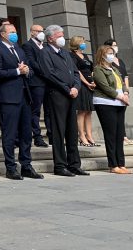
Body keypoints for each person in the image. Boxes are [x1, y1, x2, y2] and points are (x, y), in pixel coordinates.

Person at [0, 22, 43, 180]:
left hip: (25, 95)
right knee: (10, 134)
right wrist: (17, 71)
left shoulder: (19, 49)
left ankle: (26, 165)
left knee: (26, 133)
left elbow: (29, 70)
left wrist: (26, 71)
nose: (14, 34)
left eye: (15, 31)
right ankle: (10, 167)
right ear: (2, 34)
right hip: (8, 97)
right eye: (11, 32)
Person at [36, 25, 88, 177]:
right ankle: (60, 165)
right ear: (50, 37)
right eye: (59, 35)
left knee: (72, 130)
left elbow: (76, 73)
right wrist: (66, 88)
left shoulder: (65, 53)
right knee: (58, 130)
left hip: (72, 95)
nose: (62, 38)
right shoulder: (45, 53)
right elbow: (49, 74)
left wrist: (76, 87)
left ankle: (74, 164)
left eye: (62, 34)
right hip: (57, 95)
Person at [92, 45, 132, 174]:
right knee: (111, 134)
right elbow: (104, 87)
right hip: (106, 103)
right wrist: (120, 96)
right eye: (109, 53)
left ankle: (121, 163)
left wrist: (125, 93)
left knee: (119, 134)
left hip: (120, 103)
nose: (112, 55)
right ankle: (113, 164)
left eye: (112, 53)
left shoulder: (114, 68)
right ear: (102, 54)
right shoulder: (98, 69)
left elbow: (123, 83)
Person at [104, 38, 133, 145]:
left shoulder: (120, 61)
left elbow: (125, 76)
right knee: (115, 116)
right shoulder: (107, 61)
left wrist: (126, 91)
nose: (115, 47)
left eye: (116, 45)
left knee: (122, 115)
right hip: (114, 91)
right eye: (113, 45)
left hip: (123, 91)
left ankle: (124, 136)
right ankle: (119, 137)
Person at [22, 24, 50, 148]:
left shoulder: (45, 46)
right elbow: (31, 62)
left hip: (48, 82)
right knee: (35, 110)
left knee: (49, 110)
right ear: (32, 32)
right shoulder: (27, 45)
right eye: (38, 31)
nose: (41, 33)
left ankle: (52, 135)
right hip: (36, 82)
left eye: (42, 30)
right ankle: (37, 137)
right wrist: (46, 72)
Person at [71, 36, 97, 147]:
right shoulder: (72, 55)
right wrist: (86, 83)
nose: (84, 44)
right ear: (77, 43)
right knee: (82, 111)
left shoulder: (85, 56)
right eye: (82, 42)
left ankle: (89, 136)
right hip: (81, 85)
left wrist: (93, 82)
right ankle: (81, 136)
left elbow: (90, 70)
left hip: (90, 85)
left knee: (89, 111)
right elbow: (77, 71)